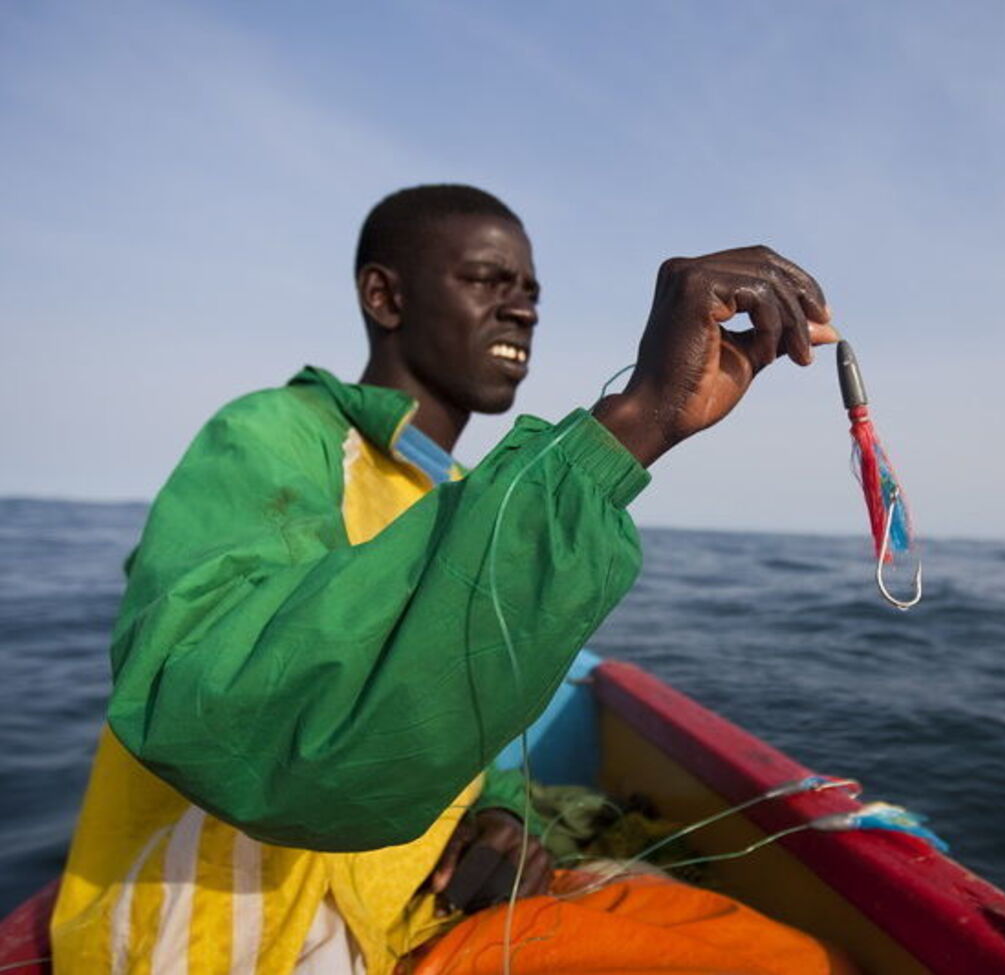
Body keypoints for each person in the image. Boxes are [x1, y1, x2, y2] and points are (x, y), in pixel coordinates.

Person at [51, 185, 842, 973]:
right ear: (384, 296)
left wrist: (498, 811)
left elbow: (453, 718)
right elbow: (223, 710)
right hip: (236, 946)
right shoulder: (272, 433)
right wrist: (634, 419)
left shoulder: (467, 489)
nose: (522, 309)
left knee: (797, 957)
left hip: (410, 923)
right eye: (487, 282)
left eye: (531, 292)